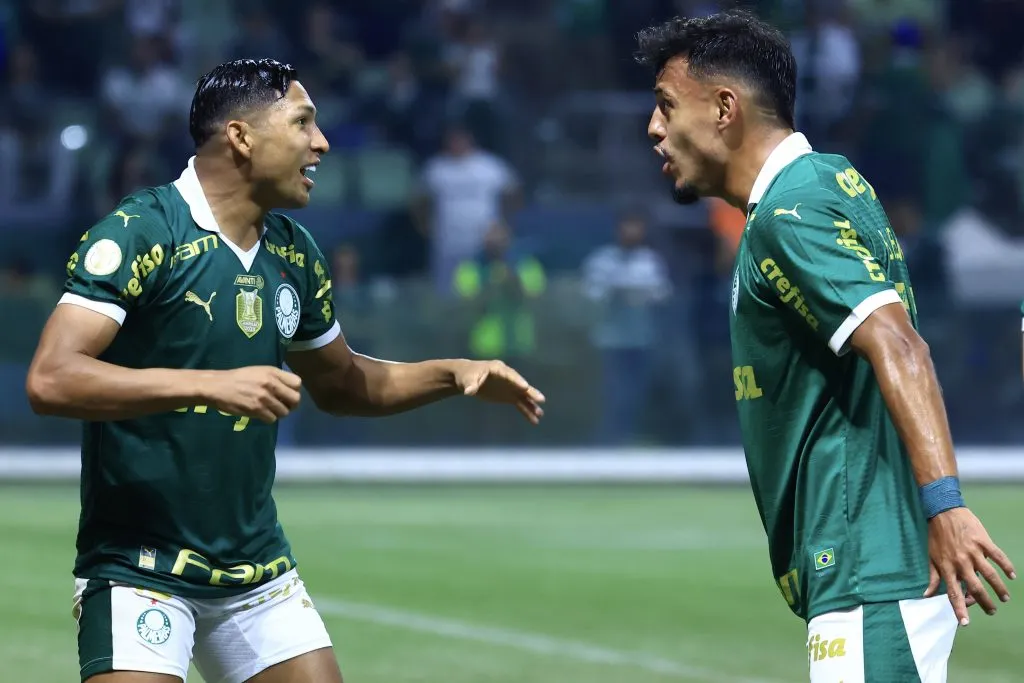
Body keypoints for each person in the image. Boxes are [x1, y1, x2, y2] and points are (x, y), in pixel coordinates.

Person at [25, 58, 544, 683]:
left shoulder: (294, 252)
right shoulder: (142, 232)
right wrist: (208, 385)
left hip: (256, 570)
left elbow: (344, 384)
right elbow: (52, 378)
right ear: (241, 137)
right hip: (138, 567)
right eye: (303, 123)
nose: (321, 143)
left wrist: (452, 373)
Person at [636, 11, 1014, 682]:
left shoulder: (792, 211)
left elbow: (900, 344)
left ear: (725, 108)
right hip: (868, 570)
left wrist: (946, 504)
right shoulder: (830, 183)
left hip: (869, 569)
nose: (654, 128)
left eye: (667, 105)